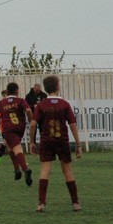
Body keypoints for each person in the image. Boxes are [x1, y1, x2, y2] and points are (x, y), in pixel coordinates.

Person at [28, 75, 82, 213]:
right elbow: (73, 125)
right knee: (67, 171)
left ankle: (41, 203)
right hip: (62, 141)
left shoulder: (41, 105)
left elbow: (33, 124)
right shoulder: (65, 104)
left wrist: (32, 142)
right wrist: (78, 145)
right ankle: (75, 203)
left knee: (45, 170)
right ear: (58, 86)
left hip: (46, 141)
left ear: (46, 88)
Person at [0, 82, 33, 186]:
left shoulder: (1, 103)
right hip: (20, 128)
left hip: (8, 129)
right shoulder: (21, 100)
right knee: (10, 147)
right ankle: (16, 170)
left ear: (7, 92)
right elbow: (28, 110)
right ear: (17, 91)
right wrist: (31, 119)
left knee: (16, 149)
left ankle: (25, 170)